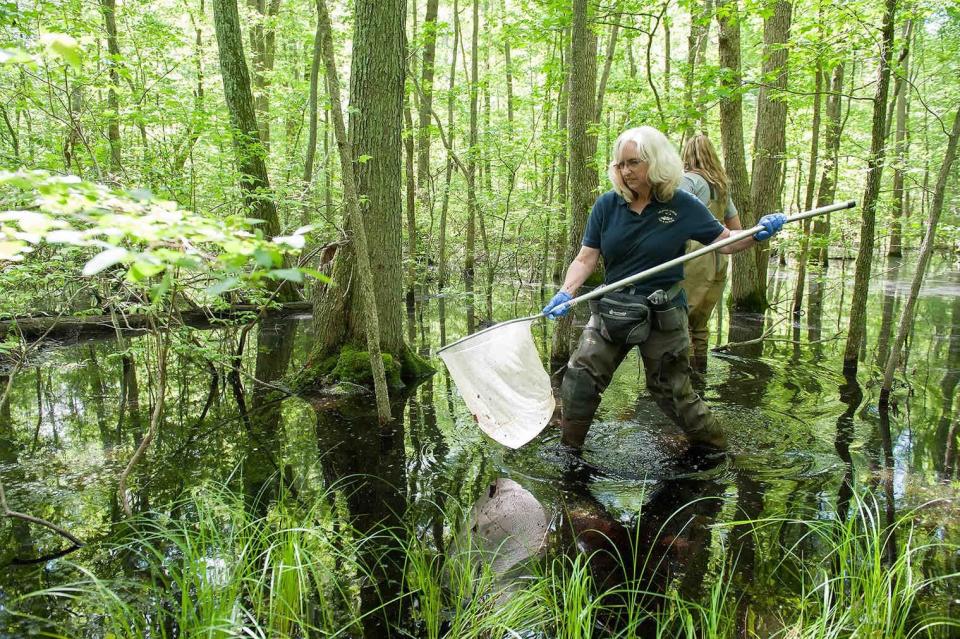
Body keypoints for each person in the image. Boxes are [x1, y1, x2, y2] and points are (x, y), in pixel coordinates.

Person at [542, 126, 785, 451]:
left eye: (633, 163)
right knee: (580, 379)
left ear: (654, 163)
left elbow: (725, 244)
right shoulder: (606, 206)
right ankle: (569, 454)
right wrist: (567, 292)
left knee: (672, 393)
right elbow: (586, 258)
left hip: (663, 312)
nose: (626, 171)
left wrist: (757, 233)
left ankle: (716, 451)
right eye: (620, 165)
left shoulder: (681, 204)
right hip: (613, 309)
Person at [678, 134, 741, 372]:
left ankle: (682, 379)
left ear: (686, 155)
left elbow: (676, 220)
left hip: (694, 255)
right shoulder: (722, 187)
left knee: (681, 318)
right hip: (719, 257)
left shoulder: (688, 181)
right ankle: (700, 376)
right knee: (700, 324)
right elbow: (736, 230)